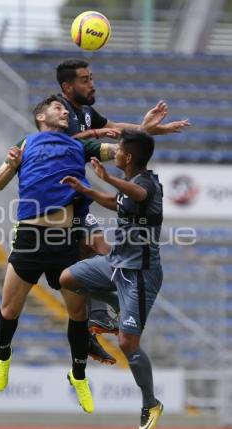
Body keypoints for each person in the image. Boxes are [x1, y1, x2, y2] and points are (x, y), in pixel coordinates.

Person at [0, 95, 120, 394]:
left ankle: (78, 375)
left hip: (65, 241)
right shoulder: (26, 143)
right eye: (58, 108)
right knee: (9, 310)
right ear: (40, 116)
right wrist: (11, 165)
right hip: (30, 237)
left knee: (78, 314)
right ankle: (3, 356)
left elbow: (116, 152)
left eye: (65, 109)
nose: (65, 111)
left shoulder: (79, 145)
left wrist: (142, 133)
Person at [55, 59, 189, 336]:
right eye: (84, 80)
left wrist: (148, 130)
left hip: (76, 198)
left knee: (99, 251)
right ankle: (102, 312)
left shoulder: (86, 111)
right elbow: (59, 142)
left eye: (91, 78)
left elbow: (115, 127)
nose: (92, 84)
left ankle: (100, 315)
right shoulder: (58, 110)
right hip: (56, 200)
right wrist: (102, 137)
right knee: (81, 260)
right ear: (67, 87)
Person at [60, 129, 164, 429]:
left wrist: (106, 177)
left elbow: (137, 196)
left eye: (118, 150)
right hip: (115, 265)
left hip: (140, 275)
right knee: (67, 279)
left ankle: (150, 403)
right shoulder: (129, 185)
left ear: (128, 158)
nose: (114, 152)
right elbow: (116, 201)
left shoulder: (147, 184)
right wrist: (86, 188)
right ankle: (110, 312)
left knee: (127, 344)